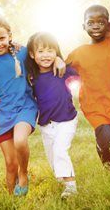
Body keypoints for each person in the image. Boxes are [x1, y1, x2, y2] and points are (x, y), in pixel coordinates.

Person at [0, 16, 65, 196]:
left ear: (10, 36)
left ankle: (24, 173)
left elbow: (43, 51)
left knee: (20, 140)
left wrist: (58, 58)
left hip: (25, 107)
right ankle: (13, 201)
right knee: (10, 164)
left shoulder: (23, 52)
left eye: (2, 38)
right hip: (3, 112)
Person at [67, 5, 110, 173]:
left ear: (108, 24)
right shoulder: (78, 53)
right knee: (106, 137)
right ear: (84, 26)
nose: (96, 26)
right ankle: (102, 149)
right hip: (93, 104)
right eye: (91, 23)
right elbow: (61, 70)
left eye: (101, 22)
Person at [26, 32, 78, 198]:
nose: (46, 55)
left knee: (60, 150)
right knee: (52, 155)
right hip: (46, 122)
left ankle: (71, 186)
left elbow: (78, 77)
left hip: (67, 119)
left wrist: (60, 61)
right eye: (41, 51)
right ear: (32, 54)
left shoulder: (62, 70)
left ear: (56, 52)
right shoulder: (32, 77)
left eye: (50, 50)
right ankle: (63, 179)